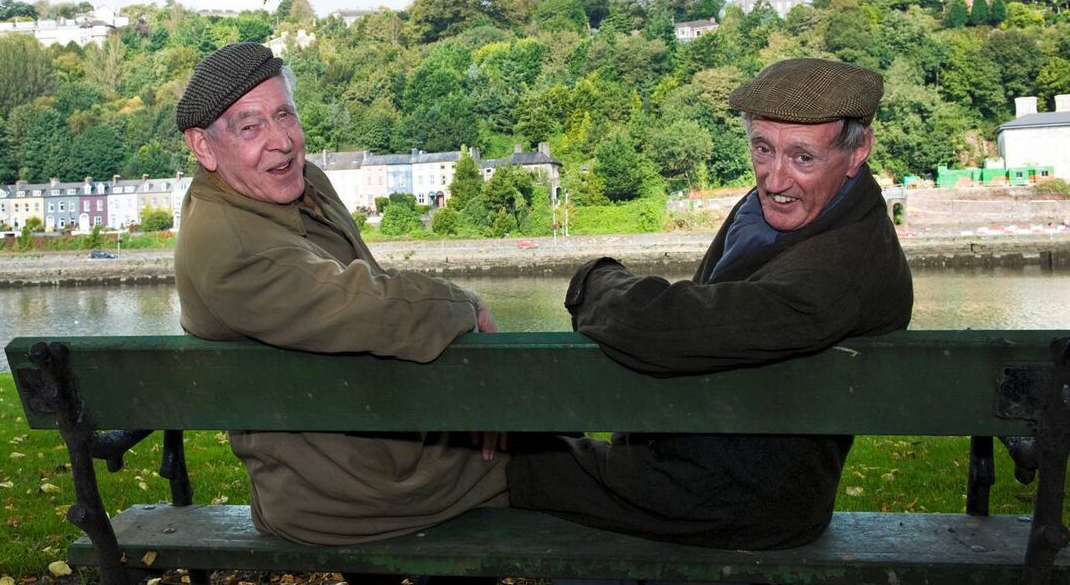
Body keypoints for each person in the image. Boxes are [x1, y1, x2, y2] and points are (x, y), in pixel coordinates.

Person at [505, 57, 914, 550]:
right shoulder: (794, 210)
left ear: (858, 151)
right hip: (702, 465)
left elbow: (659, 329)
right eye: (762, 149)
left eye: (803, 158)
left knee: (484, 465)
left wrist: (593, 278)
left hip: (732, 501)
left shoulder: (835, 273)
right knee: (496, 452)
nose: (775, 179)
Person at [174, 41, 508, 546]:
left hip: (378, 452)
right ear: (202, 146)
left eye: (285, 115)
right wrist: (466, 305)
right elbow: (369, 307)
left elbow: (372, 285)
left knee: (567, 458)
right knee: (580, 471)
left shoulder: (300, 183)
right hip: (353, 491)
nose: (282, 142)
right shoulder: (233, 249)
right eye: (250, 127)